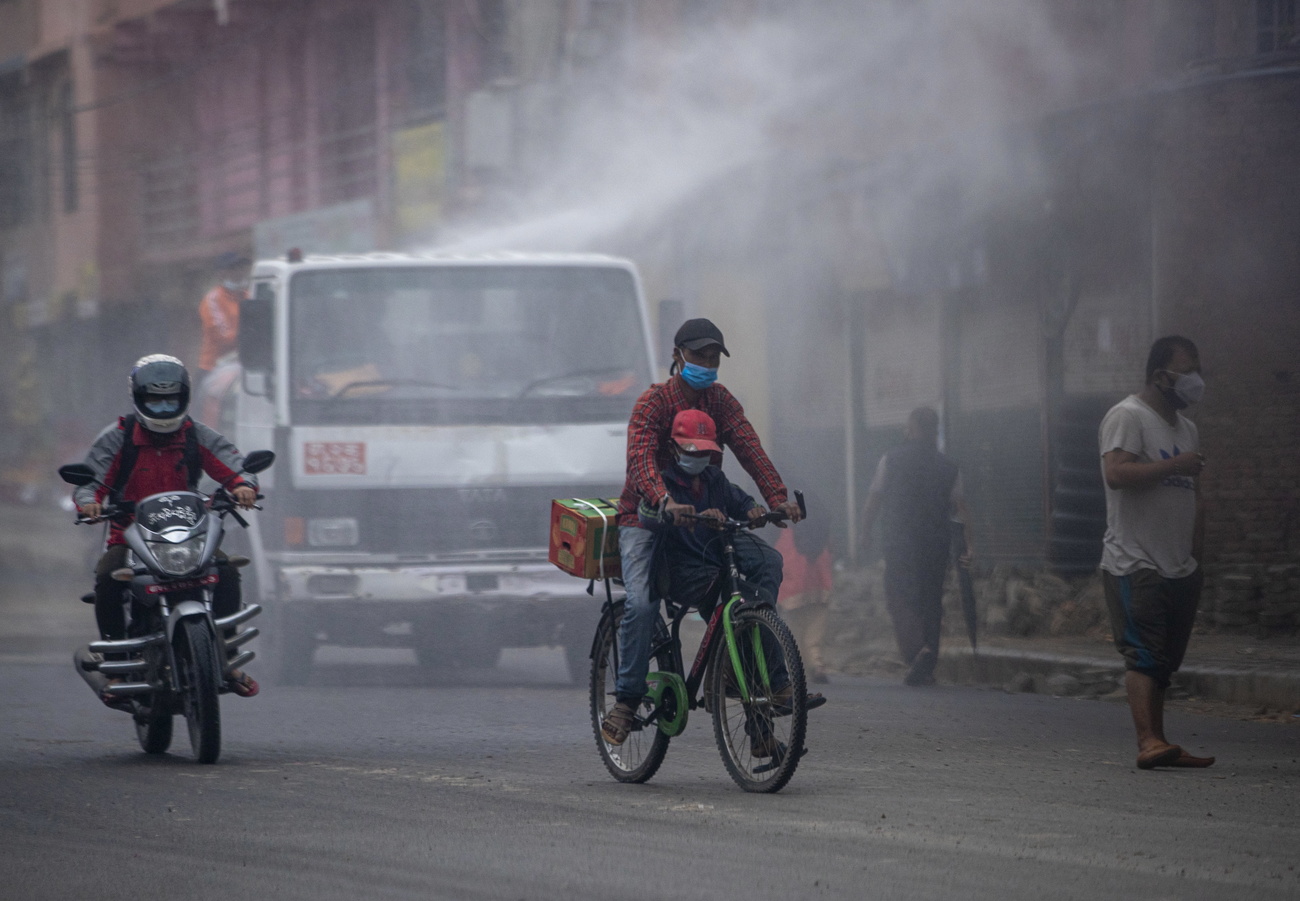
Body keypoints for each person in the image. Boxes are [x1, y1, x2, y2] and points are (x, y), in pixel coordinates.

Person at [602, 318, 806, 744]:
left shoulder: (720, 402)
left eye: (714, 358)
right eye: (699, 356)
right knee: (641, 605)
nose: (707, 364)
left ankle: (745, 679)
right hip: (646, 518)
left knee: (765, 565)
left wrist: (775, 498)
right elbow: (639, 462)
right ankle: (625, 701)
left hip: (705, 515)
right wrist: (664, 499)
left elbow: (750, 447)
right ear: (678, 357)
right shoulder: (652, 404)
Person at [73, 354, 261, 705]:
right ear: (139, 399)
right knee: (108, 579)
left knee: (226, 572)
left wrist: (243, 486)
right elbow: (90, 482)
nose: (163, 408)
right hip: (129, 536)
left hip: (189, 533)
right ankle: (116, 665)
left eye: (170, 400)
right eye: (155, 400)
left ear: (184, 398)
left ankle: (225, 658)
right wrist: (89, 503)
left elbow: (235, 466)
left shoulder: (197, 435)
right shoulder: (117, 438)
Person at [1099, 336, 1214, 770]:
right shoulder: (1127, 416)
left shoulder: (1187, 429)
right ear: (1159, 375)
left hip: (1179, 565)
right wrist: (1173, 465)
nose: (1195, 381)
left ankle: (1160, 740)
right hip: (1135, 560)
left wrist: (1196, 561)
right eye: (1187, 371)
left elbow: (1194, 496)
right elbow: (1116, 473)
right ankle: (1147, 740)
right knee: (1144, 654)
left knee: (1164, 660)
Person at [860, 406, 973, 686]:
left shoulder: (891, 460)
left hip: (900, 541)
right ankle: (928, 661)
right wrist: (970, 546)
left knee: (899, 595)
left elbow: (873, 500)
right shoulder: (950, 467)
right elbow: (962, 510)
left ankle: (916, 651)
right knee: (931, 599)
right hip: (936, 543)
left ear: (911, 429)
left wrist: (864, 533)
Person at [774, 501, 832, 684]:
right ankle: (816, 663)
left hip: (793, 588)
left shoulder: (782, 532)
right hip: (818, 585)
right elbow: (830, 552)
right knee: (815, 630)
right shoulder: (817, 529)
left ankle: (799, 666)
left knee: (796, 629)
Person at [198, 251, 248, 376]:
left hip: (244, 366)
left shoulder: (248, 296)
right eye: (233, 268)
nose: (238, 272)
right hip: (214, 369)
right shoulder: (213, 299)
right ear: (221, 273)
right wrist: (251, 337)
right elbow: (224, 336)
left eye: (240, 267)